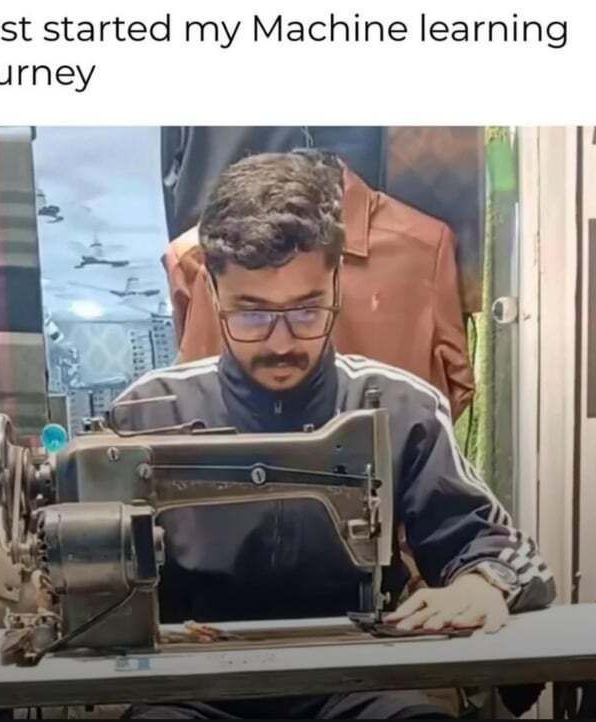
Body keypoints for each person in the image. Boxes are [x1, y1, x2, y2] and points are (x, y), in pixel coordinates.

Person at [115, 151, 555, 719]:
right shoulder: (146, 415)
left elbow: (501, 550)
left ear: (337, 285)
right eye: (252, 314)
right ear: (214, 293)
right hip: (192, 684)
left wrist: (482, 583)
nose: (281, 343)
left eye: (306, 310)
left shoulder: (399, 406)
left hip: (359, 680)